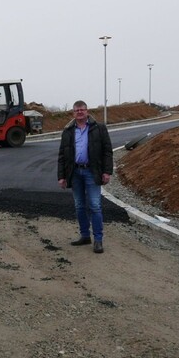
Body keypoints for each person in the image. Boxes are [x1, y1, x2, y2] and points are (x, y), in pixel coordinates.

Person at [57, 101, 113, 253]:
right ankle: (84, 235)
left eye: (82, 110)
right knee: (79, 206)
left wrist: (107, 172)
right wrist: (61, 176)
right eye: (77, 110)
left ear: (87, 111)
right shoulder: (68, 130)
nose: (80, 112)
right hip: (75, 173)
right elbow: (62, 155)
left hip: (92, 172)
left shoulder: (99, 128)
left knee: (95, 205)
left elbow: (107, 151)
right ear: (73, 113)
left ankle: (98, 240)